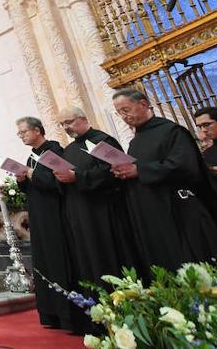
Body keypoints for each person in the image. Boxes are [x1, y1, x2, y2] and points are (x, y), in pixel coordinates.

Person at [110, 88, 217, 270]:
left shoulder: (171, 131)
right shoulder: (135, 141)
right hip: (151, 211)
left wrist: (140, 170)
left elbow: (185, 166)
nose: (123, 116)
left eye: (126, 109)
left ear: (143, 104)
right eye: (119, 112)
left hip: (177, 209)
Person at [53, 106, 143, 297]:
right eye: (62, 124)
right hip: (80, 213)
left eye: (68, 122)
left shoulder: (102, 141)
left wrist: (78, 177)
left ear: (83, 119)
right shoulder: (69, 149)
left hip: (104, 211)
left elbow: (116, 171)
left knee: (110, 256)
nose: (66, 127)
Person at [15, 116, 83, 333]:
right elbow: (31, 186)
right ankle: (51, 313)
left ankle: (68, 315)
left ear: (37, 130)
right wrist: (21, 180)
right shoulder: (32, 156)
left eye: (23, 132)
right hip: (39, 214)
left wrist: (32, 174)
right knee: (44, 260)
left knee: (58, 259)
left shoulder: (53, 151)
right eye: (19, 133)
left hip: (55, 214)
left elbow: (57, 182)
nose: (21, 136)